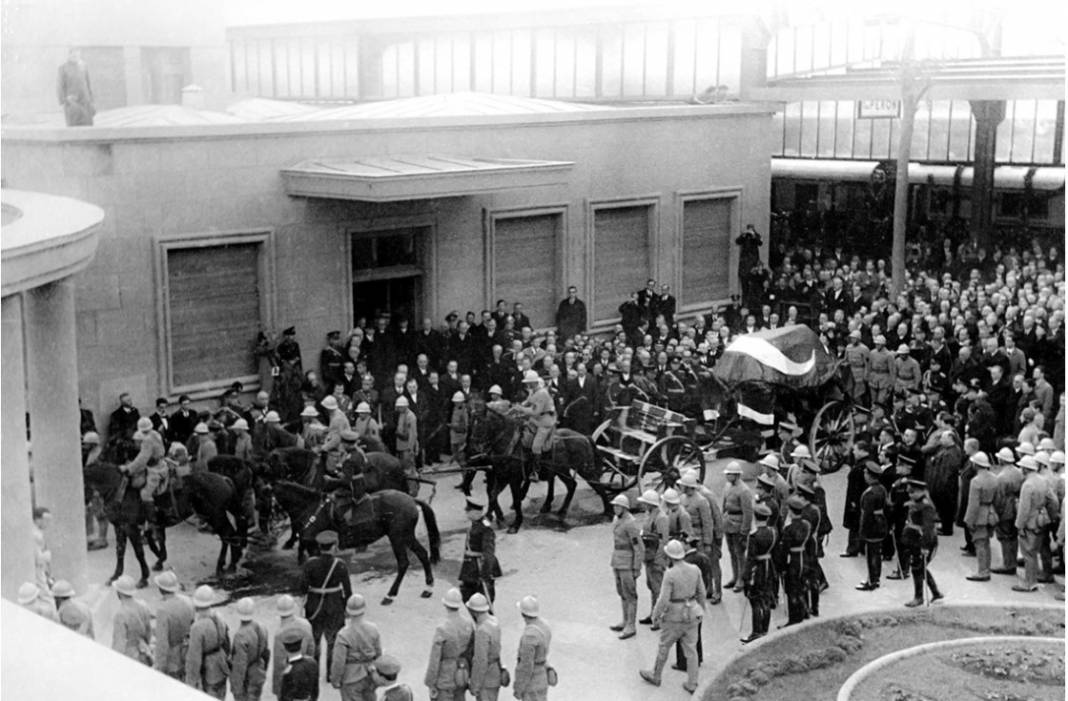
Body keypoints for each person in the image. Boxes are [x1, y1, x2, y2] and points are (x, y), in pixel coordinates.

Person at [638, 539, 705, 693]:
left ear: (669, 556)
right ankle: (692, 682)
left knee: (664, 645)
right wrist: (701, 610)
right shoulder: (695, 569)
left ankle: (656, 675)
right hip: (692, 612)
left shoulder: (670, 574)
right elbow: (701, 592)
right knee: (691, 650)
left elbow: (663, 599)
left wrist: (656, 615)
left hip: (674, 615)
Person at [301, 530, 352, 667]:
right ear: (334, 546)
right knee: (333, 641)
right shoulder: (340, 564)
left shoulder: (310, 564)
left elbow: (302, 588)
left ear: (319, 547)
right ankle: (330, 672)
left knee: (314, 640)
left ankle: (314, 669)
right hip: (334, 606)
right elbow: (348, 591)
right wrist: (346, 608)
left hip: (314, 606)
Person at [1014, 455, 1058, 592]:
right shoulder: (1043, 481)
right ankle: (1033, 579)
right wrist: (1051, 516)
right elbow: (1053, 501)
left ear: (1025, 469)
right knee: (1035, 551)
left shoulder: (1027, 485)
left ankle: (1029, 582)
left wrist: (1019, 525)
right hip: (1041, 520)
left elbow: (1024, 508)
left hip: (1029, 523)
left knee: (1028, 553)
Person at [424, 588, 474, 701]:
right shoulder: (468, 623)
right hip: (462, 670)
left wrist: (430, 682)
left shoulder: (442, 628)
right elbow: (471, 651)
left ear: (445, 604)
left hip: (445, 675)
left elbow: (435, 658)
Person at [330, 594, 381, 701]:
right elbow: (378, 654)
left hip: (351, 678)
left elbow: (338, 661)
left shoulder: (343, 634)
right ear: (364, 609)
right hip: (370, 674)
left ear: (348, 611)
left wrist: (335, 679)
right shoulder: (373, 629)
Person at [900, 480, 943, 607]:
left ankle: (919, 597)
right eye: (909, 492)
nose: (910, 495)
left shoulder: (926, 506)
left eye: (913, 492)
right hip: (915, 540)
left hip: (924, 541)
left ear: (921, 491)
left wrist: (925, 547)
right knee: (920, 567)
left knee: (917, 568)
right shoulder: (917, 503)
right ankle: (936, 592)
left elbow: (928, 529)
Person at [607, 493, 643, 640]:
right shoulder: (617, 519)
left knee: (630, 594)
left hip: (628, 562)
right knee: (622, 593)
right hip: (617, 561)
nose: (615, 508)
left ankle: (631, 625)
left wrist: (636, 567)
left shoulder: (630, 523)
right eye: (614, 506)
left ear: (624, 508)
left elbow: (638, 547)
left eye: (617, 506)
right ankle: (625, 620)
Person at [740, 504, 776, 644]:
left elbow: (750, 558)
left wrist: (746, 576)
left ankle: (756, 632)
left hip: (758, 570)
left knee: (755, 600)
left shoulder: (754, 536)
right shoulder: (772, 532)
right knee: (766, 599)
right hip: (769, 567)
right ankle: (765, 629)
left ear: (755, 517)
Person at [187, 585, 231, 699]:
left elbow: (194, 659)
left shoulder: (197, 627)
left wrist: (190, 683)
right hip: (221, 665)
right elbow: (227, 643)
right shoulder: (219, 617)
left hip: (208, 671)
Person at [963, 452, 998, 582]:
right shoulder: (994, 478)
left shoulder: (976, 481)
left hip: (980, 515)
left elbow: (973, 504)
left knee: (980, 544)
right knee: (986, 543)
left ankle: (983, 571)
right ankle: (986, 569)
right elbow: (998, 498)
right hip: (991, 513)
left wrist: (969, 520)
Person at [153, 571, 195, 679]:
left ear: (161, 589)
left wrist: (159, 668)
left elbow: (162, 644)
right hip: (188, 652)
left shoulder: (163, 610)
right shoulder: (188, 600)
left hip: (173, 659)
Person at [272, 595, 316, 698]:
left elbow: (279, 664)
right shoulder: (306, 624)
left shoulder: (279, 634)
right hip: (305, 671)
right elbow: (311, 649)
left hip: (289, 678)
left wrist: (277, 690)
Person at [855, 462, 889, 591]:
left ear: (870, 475)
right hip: (881, 522)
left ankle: (871, 580)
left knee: (871, 554)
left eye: (865, 473)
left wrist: (862, 531)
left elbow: (866, 514)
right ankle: (876, 578)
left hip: (872, 525)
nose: (864, 475)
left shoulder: (869, 493)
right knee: (877, 552)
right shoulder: (881, 489)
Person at [637, 489, 669, 627]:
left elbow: (663, 541)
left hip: (656, 556)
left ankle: (659, 617)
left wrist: (659, 559)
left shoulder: (661, 518)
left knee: (658, 588)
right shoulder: (649, 514)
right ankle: (653, 613)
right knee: (652, 586)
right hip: (649, 555)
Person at [460, 500, 501, 605]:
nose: (466, 512)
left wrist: (485, 575)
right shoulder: (476, 524)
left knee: (483, 602)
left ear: (476, 512)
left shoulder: (485, 528)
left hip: (478, 569)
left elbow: (488, 553)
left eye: (468, 510)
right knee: (467, 598)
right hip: (470, 568)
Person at [780, 495, 812, 626]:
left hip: (793, 560)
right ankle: (805, 610)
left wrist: (781, 567)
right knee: (803, 585)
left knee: (792, 589)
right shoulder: (806, 525)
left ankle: (794, 619)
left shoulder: (789, 529)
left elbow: (784, 550)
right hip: (804, 557)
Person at [230, 598, 270, 701]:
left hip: (247, 679)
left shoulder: (240, 635)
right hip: (259, 673)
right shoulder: (263, 627)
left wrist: (236, 690)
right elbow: (266, 653)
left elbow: (240, 666)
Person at [513, 595, 552, 701]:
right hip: (542, 676)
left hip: (532, 682)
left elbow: (526, 665)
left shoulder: (529, 635)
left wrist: (519, 687)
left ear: (522, 613)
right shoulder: (545, 625)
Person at [722, 461, 753, 591]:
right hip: (728, 522)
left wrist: (744, 531)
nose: (727, 476)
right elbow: (724, 504)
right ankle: (735, 577)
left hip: (738, 524)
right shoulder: (727, 486)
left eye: (729, 474)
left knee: (739, 553)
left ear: (736, 475)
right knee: (731, 552)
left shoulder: (744, 490)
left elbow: (748, 512)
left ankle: (742, 578)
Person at [466, 593, 503, 701]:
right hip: (496, 673)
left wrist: (475, 684)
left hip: (486, 678)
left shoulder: (482, 630)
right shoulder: (494, 621)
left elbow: (481, 660)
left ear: (474, 611)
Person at [111, 575, 152, 664]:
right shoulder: (143, 606)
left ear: (119, 593)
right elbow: (148, 632)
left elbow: (119, 643)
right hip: (143, 651)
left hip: (129, 655)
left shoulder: (120, 614)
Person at [515, 370, 556, 458]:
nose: (527, 385)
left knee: (536, 447)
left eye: (528, 383)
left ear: (533, 383)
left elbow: (535, 411)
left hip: (544, 421)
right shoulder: (533, 391)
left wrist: (521, 409)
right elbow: (527, 402)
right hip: (535, 420)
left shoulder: (542, 393)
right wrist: (516, 408)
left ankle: (537, 469)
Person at [278, 627, 319, 701]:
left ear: (285, 648)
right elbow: (315, 690)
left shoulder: (288, 672)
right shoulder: (312, 663)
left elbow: (284, 697)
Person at [57, 48, 95, 126]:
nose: (75, 56)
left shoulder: (84, 66)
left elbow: (88, 84)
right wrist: (64, 100)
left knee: (88, 126)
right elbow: (60, 86)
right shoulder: (63, 68)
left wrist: (91, 101)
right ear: (69, 55)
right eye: (73, 54)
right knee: (74, 128)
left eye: (77, 54)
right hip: (72, 103)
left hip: (85, 102)